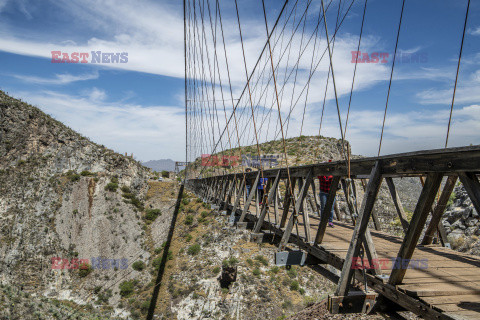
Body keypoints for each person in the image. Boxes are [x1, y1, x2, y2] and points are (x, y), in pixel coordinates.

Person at [319, 160, 335, 228]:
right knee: (323, 208)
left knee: (331, 208)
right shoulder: (321, 175)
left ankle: (330, 221)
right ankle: (323, 221)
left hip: (330, 193)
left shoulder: (333, 175)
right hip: (323, 192)